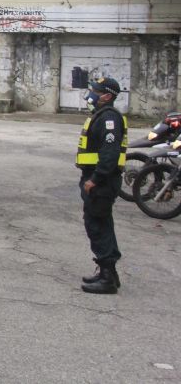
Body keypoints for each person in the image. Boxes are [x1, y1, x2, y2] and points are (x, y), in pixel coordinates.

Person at [76, 77, 128, 294]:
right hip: (99, 180)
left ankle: (106, 278)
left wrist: (94, 180)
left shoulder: (109, 118)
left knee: (97, 225)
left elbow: (109, 154)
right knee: (101, 223)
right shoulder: (103, 115)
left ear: (107, 96)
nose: (92, 94)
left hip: (101, 182)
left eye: (96, 91)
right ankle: (108, 273)